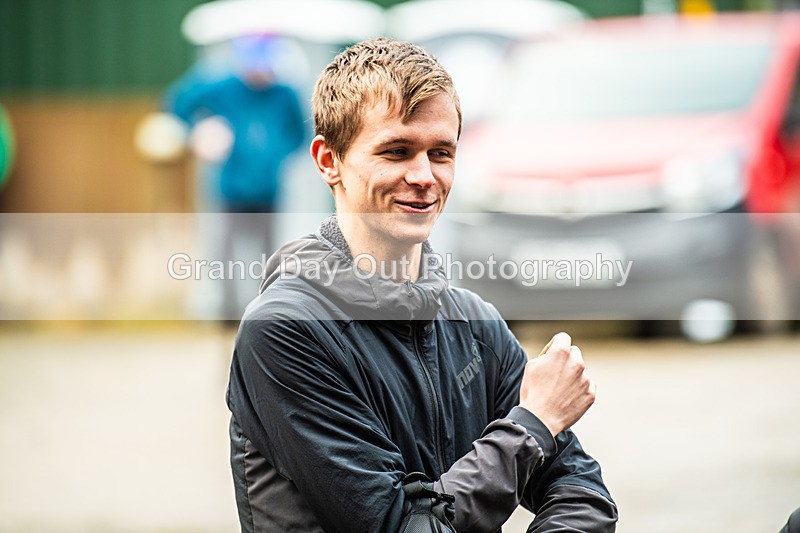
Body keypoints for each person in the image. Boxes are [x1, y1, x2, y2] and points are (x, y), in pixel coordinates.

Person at [226, 38, 617, 532]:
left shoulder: (474, 323)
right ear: (329, 161)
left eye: (441, 153)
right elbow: (404, 526)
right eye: (396, 151)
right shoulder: (285, 332)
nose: (424, 176)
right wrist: (532, 424)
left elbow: (581, 491)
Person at [163, 34, 306, 319]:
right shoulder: (221, 87)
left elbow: (299, 133)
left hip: (269, 190)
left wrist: (275, 155)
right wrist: (198, 133)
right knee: (226, 255)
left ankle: (267, 314)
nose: (261, 73)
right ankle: (228, 317)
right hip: (231, 189)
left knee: (269, 255)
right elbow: (177, 104)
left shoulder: (285, 93)